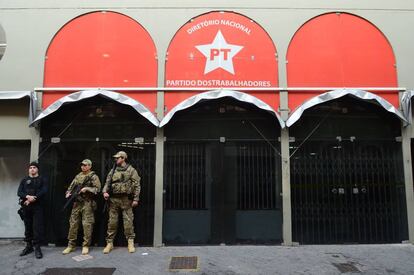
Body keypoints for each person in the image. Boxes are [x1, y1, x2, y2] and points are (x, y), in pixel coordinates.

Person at [102, 151, 140, 254]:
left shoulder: (131, 170)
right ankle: (109, 243)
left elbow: (137, 185)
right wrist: (105, 191)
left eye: (118, 158)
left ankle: (130, 241)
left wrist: (136, 199)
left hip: (126, 200)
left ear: (123, 158)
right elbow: (107, 182)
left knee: (128, 222)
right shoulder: (113, 170)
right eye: (115, 158)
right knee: (112, 222)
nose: (115, 159)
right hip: (114, 200)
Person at [62, 159, 101, 255]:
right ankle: (71, 245)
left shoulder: (93, 176)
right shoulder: (78, 176)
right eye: (82, 165)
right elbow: (71, 187)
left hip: (87, 203)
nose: (83, 167)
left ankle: (86, 245)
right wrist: (68, 193)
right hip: (77, 203)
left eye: (85, 165)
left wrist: (87, 189)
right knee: (73, 224)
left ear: (89, 166)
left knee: (87, 225)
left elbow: (98, 189)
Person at [17, 161, 48, 259]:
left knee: (37, 228)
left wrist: (34, 198)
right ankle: (29, 246)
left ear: (37, 169)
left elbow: (44, 190)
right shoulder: (24, 180)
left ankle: (37, 248)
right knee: (28, 227)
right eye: (30, 168)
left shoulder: (42, 179)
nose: (32, 169)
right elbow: (19, 192)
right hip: (26, 207)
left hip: (38, 207)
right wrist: (27, 197)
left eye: (34, 167)